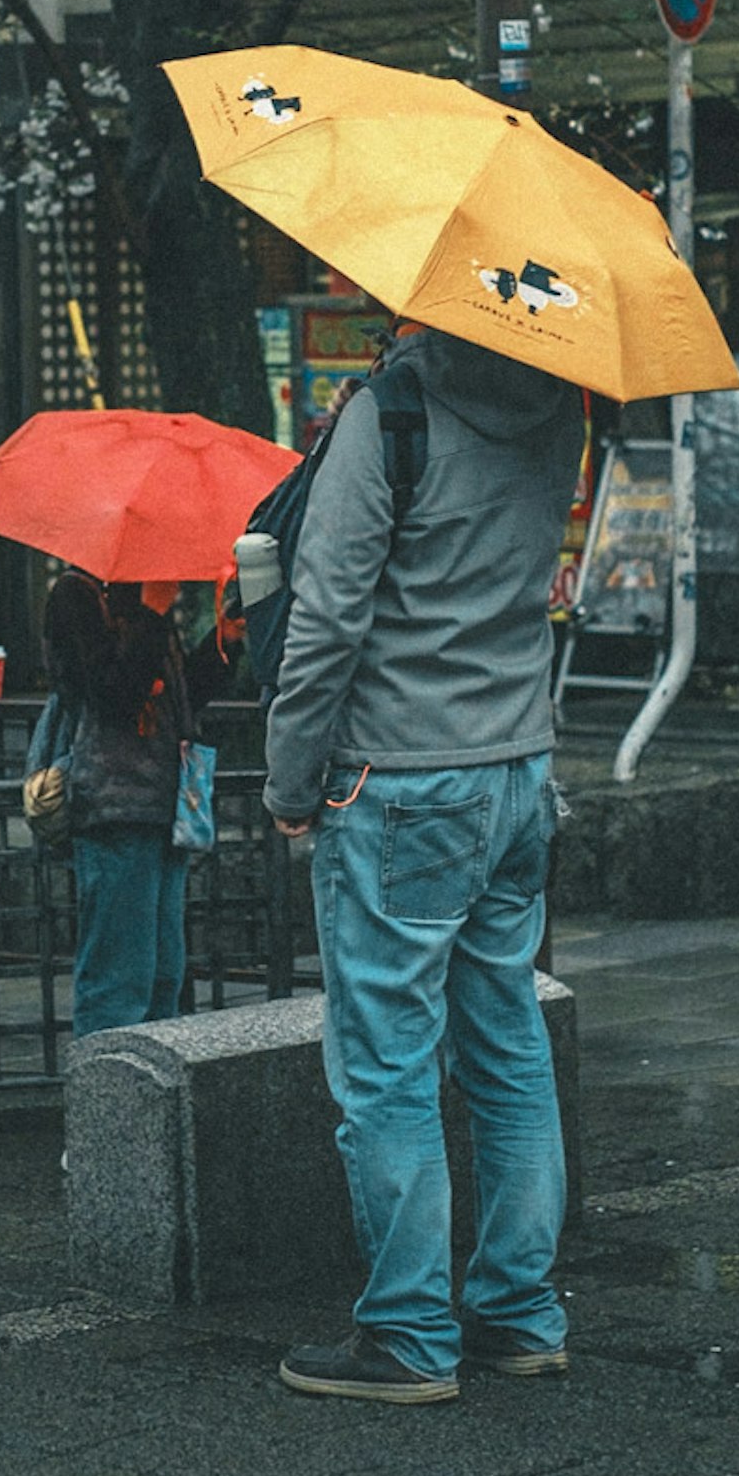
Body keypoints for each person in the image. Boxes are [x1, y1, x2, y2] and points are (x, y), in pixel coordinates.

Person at [263, 327, 587, 1404]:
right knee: (506, 1042)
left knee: (388, 1061)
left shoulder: (387, 416)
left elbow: (326, 621)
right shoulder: (557, 405)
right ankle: (519, 1311)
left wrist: (288, 779)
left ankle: (408, 1330)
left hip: (400, 775)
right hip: (515, 770)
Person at [33, 571, 240, 1039]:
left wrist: (223, 642)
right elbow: (112, 697)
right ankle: (106, 1099)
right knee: (118, 980)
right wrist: (152, 612)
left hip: (166, 806)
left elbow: (176, 695)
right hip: (114, 805)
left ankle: (157, 1097)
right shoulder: (76, 597)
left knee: (163, 975)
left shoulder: (140, 598)